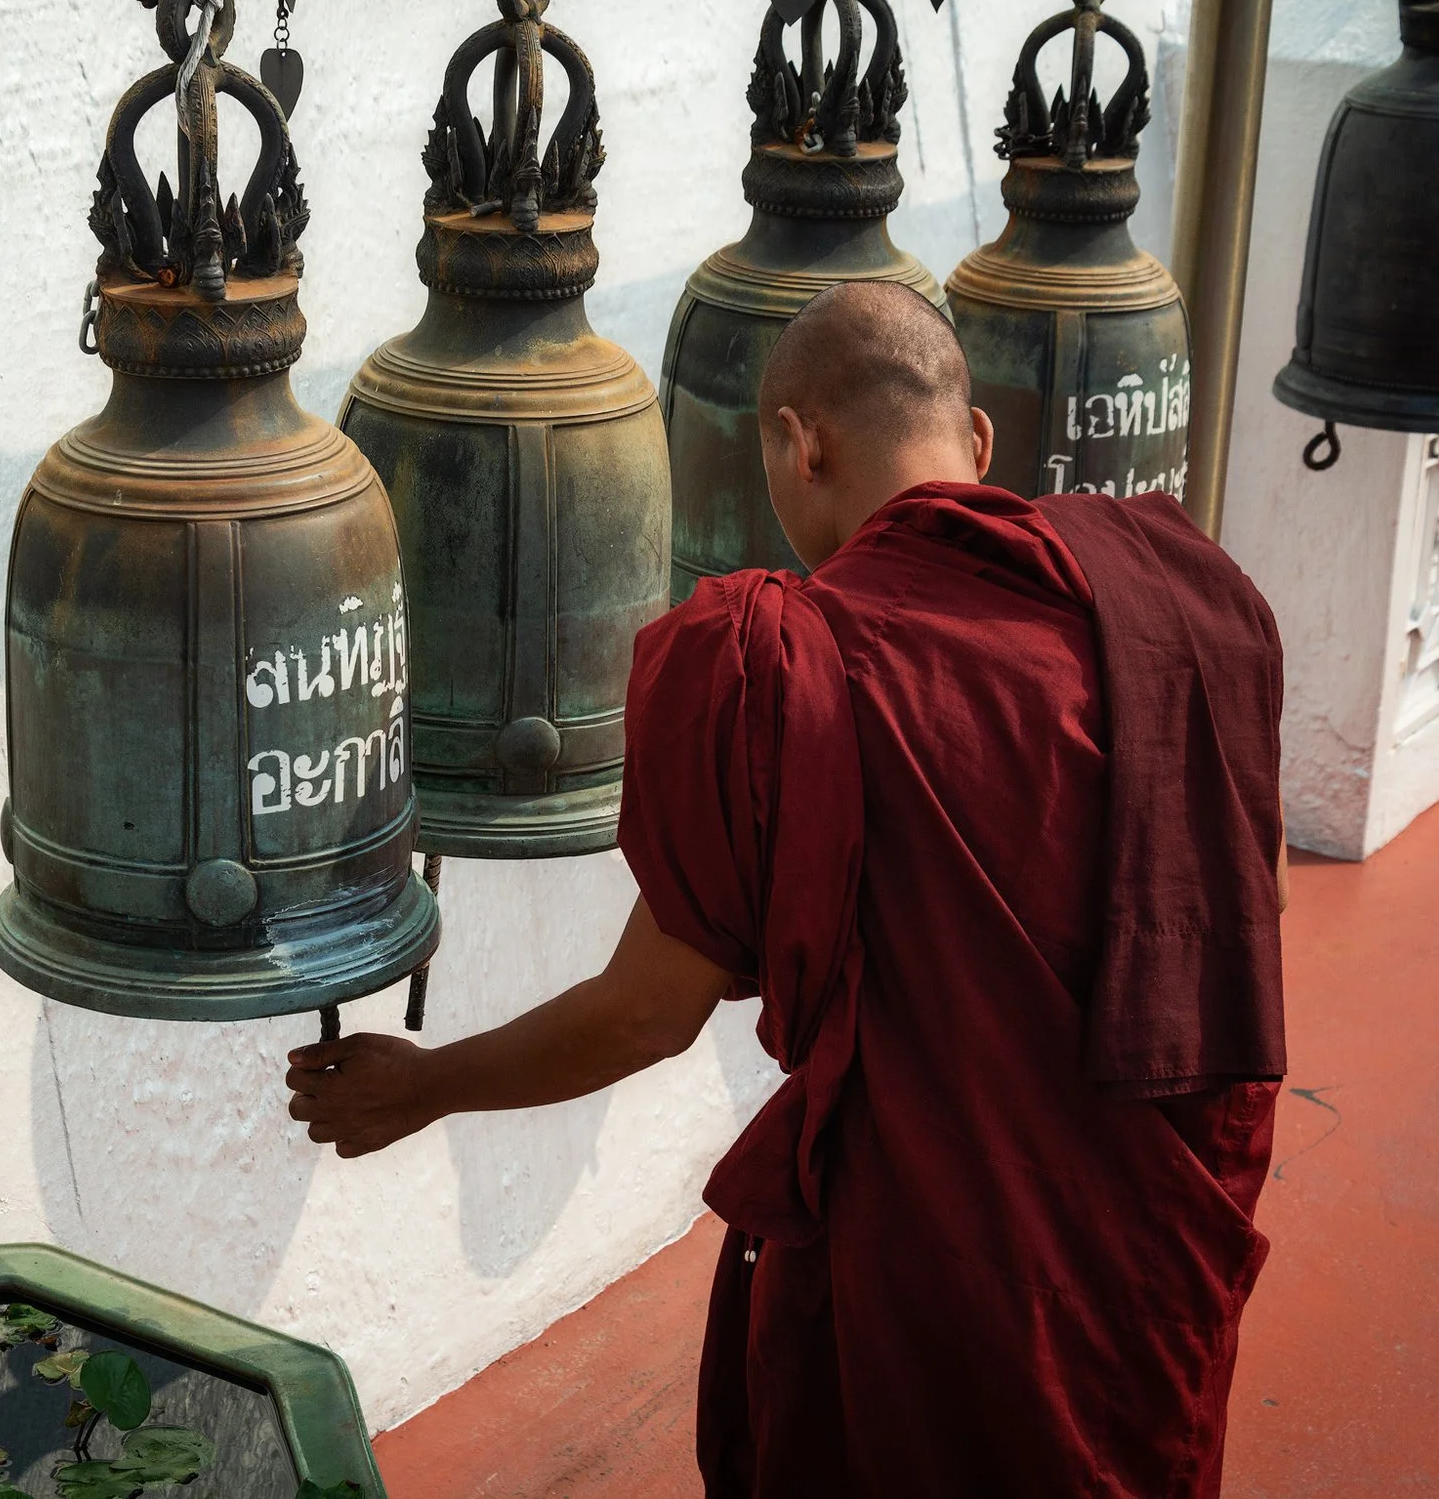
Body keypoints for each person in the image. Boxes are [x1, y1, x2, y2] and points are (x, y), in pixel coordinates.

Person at [286, 281, 1290, 1497]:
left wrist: (428, 1085)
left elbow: (648, 1011)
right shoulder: (1174, 603)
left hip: (937, 1260)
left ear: (796, 442)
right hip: (1136, 1246)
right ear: (975, 444)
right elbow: (1229, 909)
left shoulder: (782, 667)